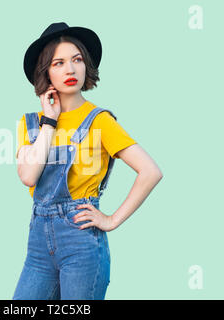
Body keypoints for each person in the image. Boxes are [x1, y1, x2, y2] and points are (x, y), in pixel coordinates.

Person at [13, 22, 163, 300]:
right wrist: (50, 121)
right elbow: (29, 177)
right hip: (38, 246)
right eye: (58, 62)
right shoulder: (31, 123)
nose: (70, 69)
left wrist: (111, 220)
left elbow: (150, 171)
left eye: (77, 60)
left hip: (80, 243)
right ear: (45, 71)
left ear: (86, 66)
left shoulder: (101, 121)